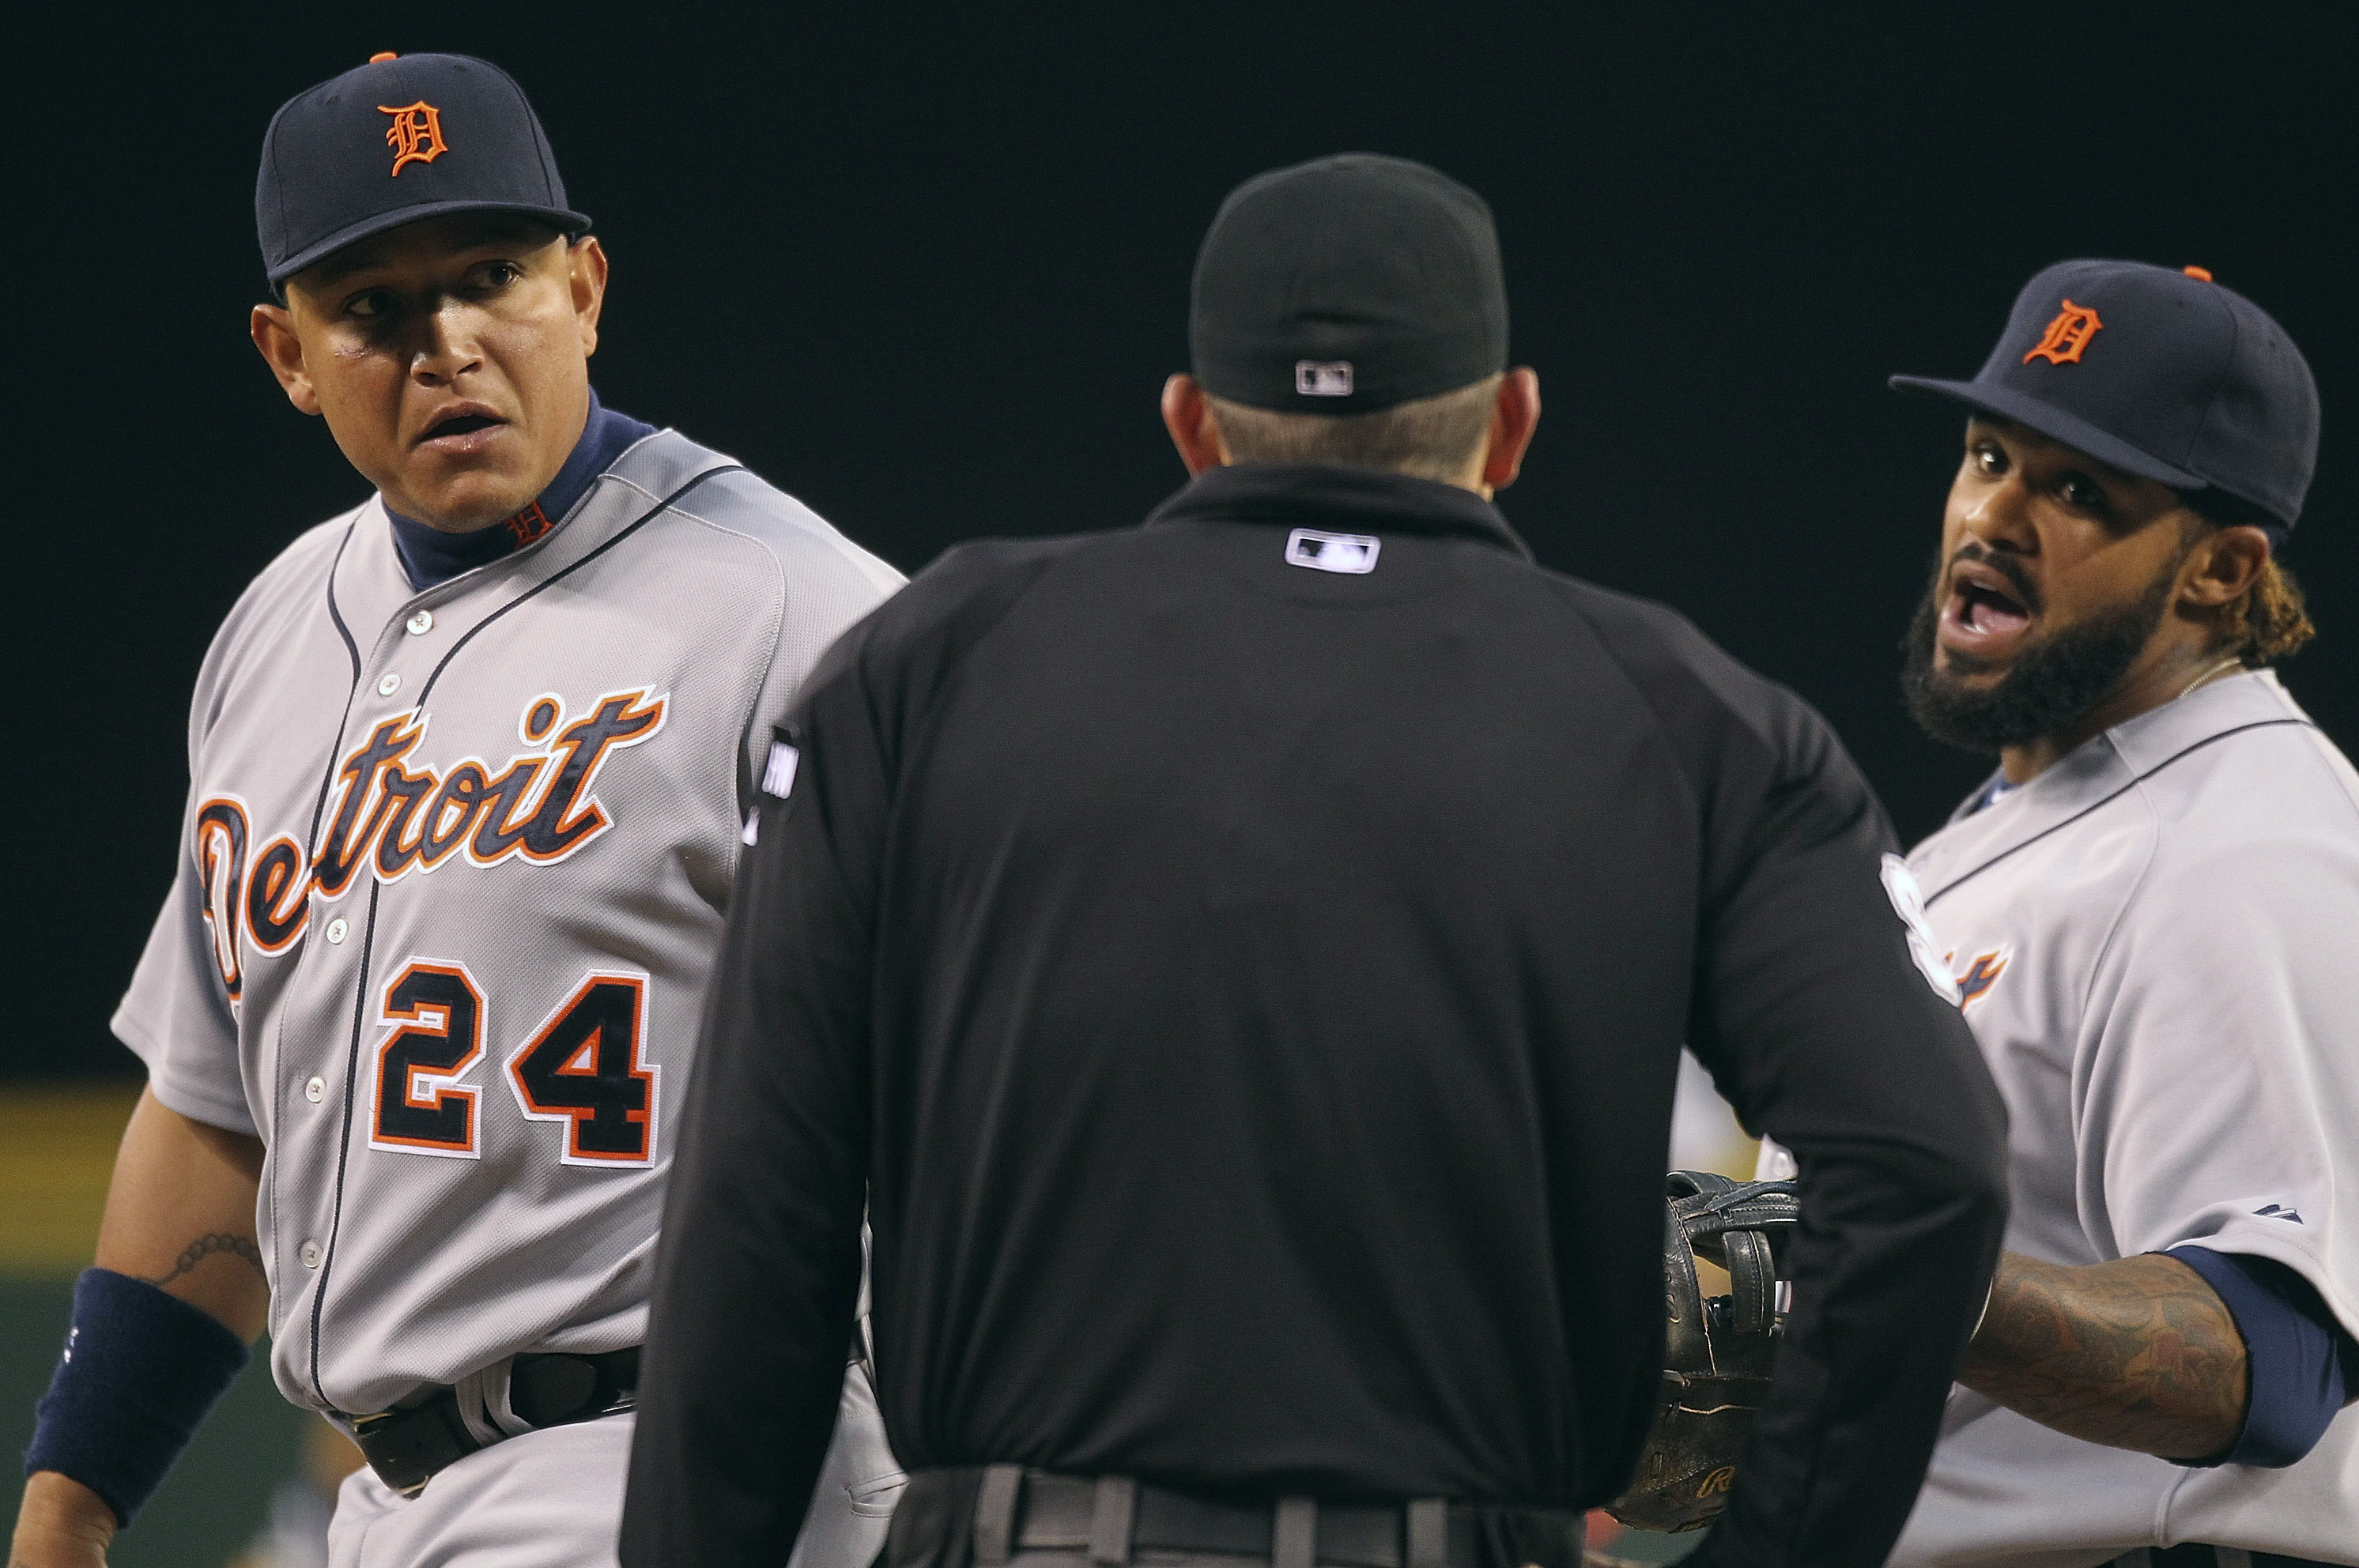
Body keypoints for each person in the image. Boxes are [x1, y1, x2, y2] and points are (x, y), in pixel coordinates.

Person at [619, 152, 2009, 1568]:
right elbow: (1927, 1165)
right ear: (1511, 424)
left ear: (1191, 425)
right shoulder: (1692, 715)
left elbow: (755, 1210)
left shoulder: (928, 662)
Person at [11, 52, 906, 1568]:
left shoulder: (796, 615)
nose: (450, 344)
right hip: (380, 1497)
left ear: (588, 288)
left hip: (680, 1464)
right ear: (287, 354)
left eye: (494, 276)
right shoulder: (279, 627)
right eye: (374, 308)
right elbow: (214, 1107)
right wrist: (67, 1508)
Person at [1871, 258, 2359, 1565]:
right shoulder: (2018, 825)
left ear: (2218, 572)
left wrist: (1891, 1264)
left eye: (2080, 489)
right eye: (1988, 455)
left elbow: (2266, 1359)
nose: (1994, 515)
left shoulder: (2242, 852)